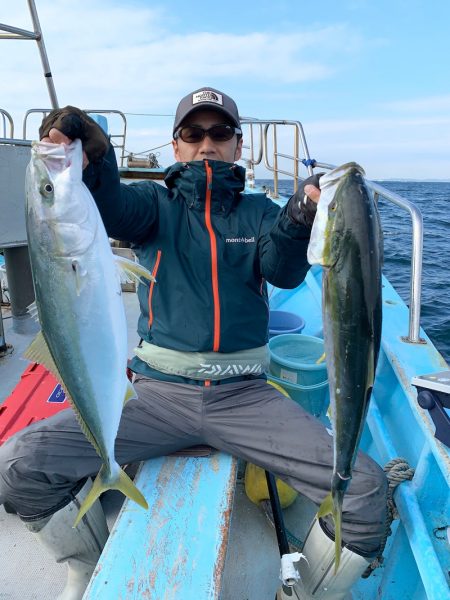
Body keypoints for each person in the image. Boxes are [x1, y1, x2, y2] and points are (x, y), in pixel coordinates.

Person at [0, 87, 387, 600]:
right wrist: (94, 158)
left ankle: (305, 593)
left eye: (220, 132)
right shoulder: (153, 206)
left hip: (244, 395)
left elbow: (283, 270)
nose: (207, 143)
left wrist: (298, 215)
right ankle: (86, 565)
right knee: (17, 467)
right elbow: (108, 207)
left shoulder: (259, 213)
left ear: (238, 145)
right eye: (193, 133)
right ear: (176, 145)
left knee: (363, 491)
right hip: (155, 395)